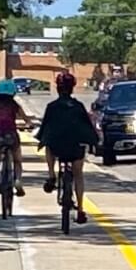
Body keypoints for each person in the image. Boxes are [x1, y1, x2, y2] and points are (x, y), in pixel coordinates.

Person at [35, 70, 99, 222]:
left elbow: (45, 129)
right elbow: (88, 128)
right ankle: (81, 209)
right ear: (72, 88)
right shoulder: (78, 107)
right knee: (78, 175)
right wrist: (94, 141)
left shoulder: (52, 107)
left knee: (48, 145)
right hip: (75, 148)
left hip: (57, 146)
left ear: (58, 87)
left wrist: (41, 140)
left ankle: (51, 175)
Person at [0, 80, 35, 202]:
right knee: (17, 158)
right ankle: (18, 180)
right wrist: (29, 123)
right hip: (11, 133)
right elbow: (25, 117)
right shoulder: (14, 104)